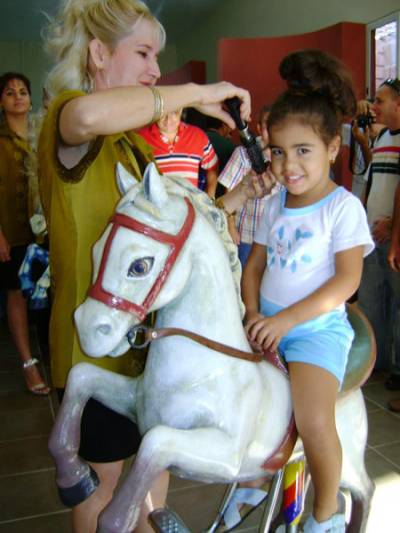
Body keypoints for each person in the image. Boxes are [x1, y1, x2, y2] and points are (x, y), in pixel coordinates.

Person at [37, 1, 251, 531]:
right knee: (104, 483)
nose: (156, 68)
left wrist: (242, 195)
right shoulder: (72, 119)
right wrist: (198, 93)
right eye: (144, 52)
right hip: (97, 345)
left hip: (148, 347)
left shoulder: (132, 148)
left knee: (154, 474)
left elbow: (173, 239)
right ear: (98, 54)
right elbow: (87, 116)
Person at [241, 49, 374, 533]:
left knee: (314, 421)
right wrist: (253, 313)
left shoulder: (342, 209)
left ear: (332, 149)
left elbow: (346, 281)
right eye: (278, 151)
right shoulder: (275, 204)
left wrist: (284, 322)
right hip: (268, 325)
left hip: (314, 331)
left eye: (303, 151)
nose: (288, 164)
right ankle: (249, 484)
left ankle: (325, 516)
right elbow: (254, 264)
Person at [0, 71, 50, 396]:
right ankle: (28, 364)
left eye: (23, 91)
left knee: (46, 292)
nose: (18, 96)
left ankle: (50, 354)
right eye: (9, 92)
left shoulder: (42, 134)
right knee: (15, 293)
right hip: (9, 231)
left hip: (43, 231)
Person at [357, 78, 400, 390]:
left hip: (391, 237)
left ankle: (397, 371)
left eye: (381, 101)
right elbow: (373, 180)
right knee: (372, 301)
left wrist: (392, 227)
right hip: (372, 236)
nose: (375, 106)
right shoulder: (383, 136)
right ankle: (377, 362)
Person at [218, 105, 280, 266]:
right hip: (247, 236)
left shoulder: (287, 158)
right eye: (268, 126)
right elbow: (228, 192)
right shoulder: (243, 154)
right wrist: (230, 226)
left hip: (276, 239)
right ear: (259, 128)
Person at [139, 108, 219, 197]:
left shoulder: (198, 136)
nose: (168, 120)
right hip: (154, 208)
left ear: (181, 110)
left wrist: (210, 199)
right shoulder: (140, 138)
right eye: (162, 113)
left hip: (191, 207)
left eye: (173, 112)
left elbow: (212, 169)